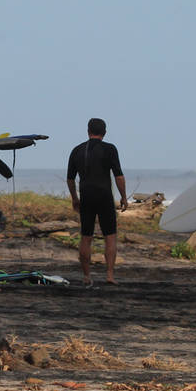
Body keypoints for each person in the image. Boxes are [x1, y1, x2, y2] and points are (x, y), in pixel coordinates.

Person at [66, 118, 128, 286]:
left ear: (88, 131)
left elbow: (70, 179)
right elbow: (118, 175)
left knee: (86, 236)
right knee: (110, 236)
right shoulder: (109, 149)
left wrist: (75, 198)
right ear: (105, 132)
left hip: (86, 196)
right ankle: (109, 275)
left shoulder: (77, 150)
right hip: (104, 196)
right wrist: (123, 197)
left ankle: (87, 276)